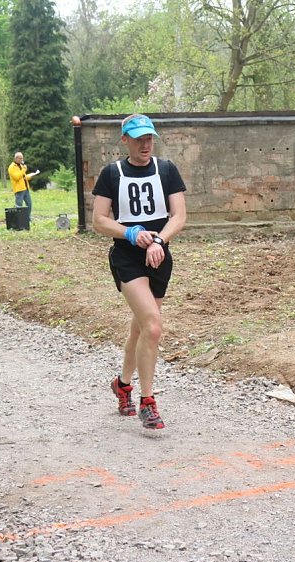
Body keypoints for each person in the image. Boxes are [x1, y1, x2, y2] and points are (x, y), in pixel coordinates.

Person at [91, 114, 187, 430]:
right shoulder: (112, 173)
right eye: (138, 138)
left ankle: (122, 384)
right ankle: (148, 402)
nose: (145, 144)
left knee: (141, 330)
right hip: (127, 259)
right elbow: (99, 220)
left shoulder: (167, 170)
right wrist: (130, 233)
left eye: (149, 138)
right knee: (153, 327)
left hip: (159, 256)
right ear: (125, 140)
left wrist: (160, 238)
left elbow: (179, 215)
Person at [7, 152, 39, 217]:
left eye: (22, 158)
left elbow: (23, 177)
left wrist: (31, 176)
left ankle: (28, 218)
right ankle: (19, 220)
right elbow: (17, 177)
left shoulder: (21, 166)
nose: (22, 160)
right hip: (19, 190)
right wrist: (24, 169)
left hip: (25, 188)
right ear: (16, 158)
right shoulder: (12, 167)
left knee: (29, 204)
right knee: (19, 206)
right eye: (20, 158)